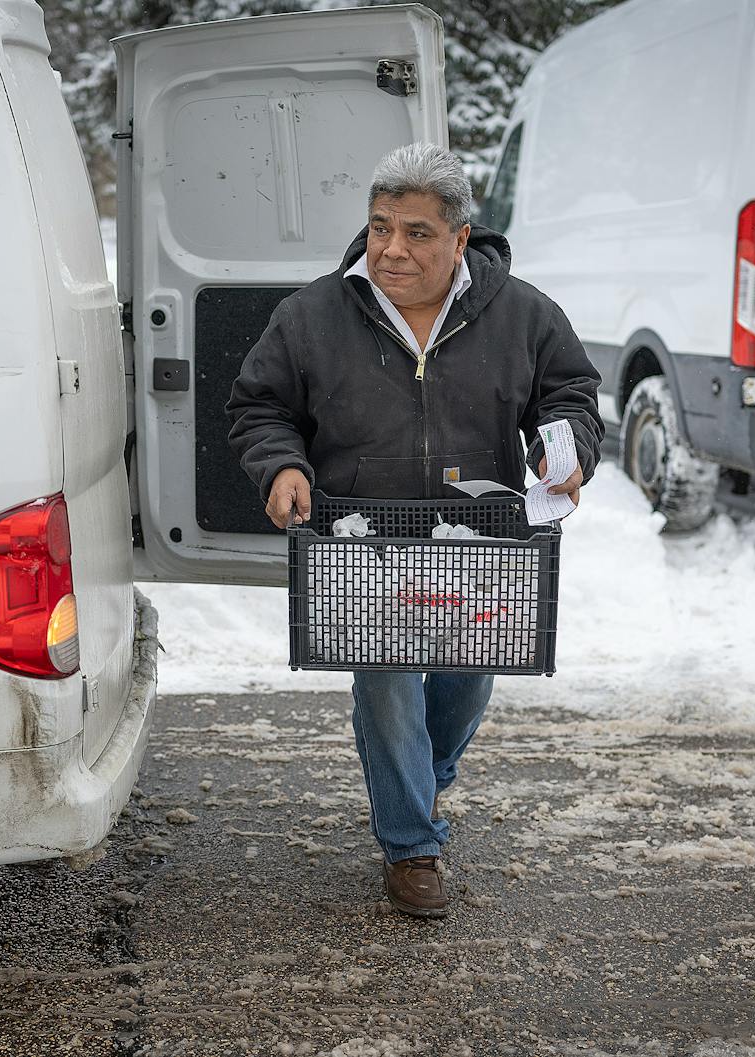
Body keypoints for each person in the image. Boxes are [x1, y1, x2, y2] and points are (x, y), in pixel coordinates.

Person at [225, 142, 603, 918]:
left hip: (482, 540)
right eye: (380, 227)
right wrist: (281, 465)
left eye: (417, 233)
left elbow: (570, 394)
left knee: (467, 683)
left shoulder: (524, 314)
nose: (392, 249)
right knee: (388, 686)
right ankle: (411, 845)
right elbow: (260, 407)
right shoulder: (312, 316)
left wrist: (564, 450)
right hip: (363, 540)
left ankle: (424, 779)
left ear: (460, 238)